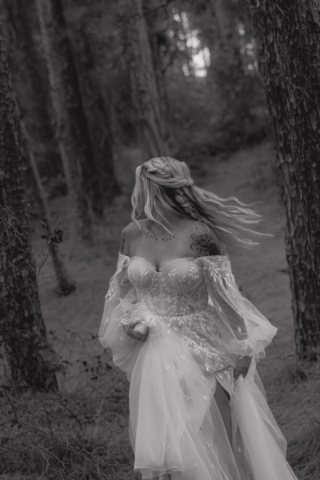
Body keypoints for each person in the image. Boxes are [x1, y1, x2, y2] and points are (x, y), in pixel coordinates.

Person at [99, 157, 298, 480]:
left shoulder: (200, 234)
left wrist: (244, 346)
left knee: (215, 437)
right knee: (171, 446)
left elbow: (226, 294)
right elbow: (122, 292)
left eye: (145, 186)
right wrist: (129, 321)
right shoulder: (131, 234)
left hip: (204, 347)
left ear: (159, 190)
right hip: (154, 355)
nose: (140, 193)